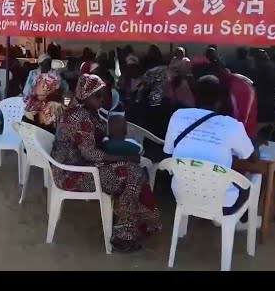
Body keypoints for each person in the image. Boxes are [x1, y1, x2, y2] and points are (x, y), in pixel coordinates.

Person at [50, 74, 162, 252]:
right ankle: (126, 234)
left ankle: (133, 224)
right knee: (131, 172)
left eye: (103, 95)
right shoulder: (79, 117)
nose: (103, 100)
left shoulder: (88, 111)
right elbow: (91, 152)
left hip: (84, 166)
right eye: (98, 95)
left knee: (134, 170)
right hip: (72, 174)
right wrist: (125, 157)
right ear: (85, 95)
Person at [163, 75, 259, 226]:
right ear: (221, 99)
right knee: (251, 184)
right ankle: (240, 221)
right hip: (222, 201)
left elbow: (168, 152)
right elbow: (253, 158)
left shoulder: (178, 116)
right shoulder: (231, 125)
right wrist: (252, 138)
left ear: (194, 96)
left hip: (182, 194)